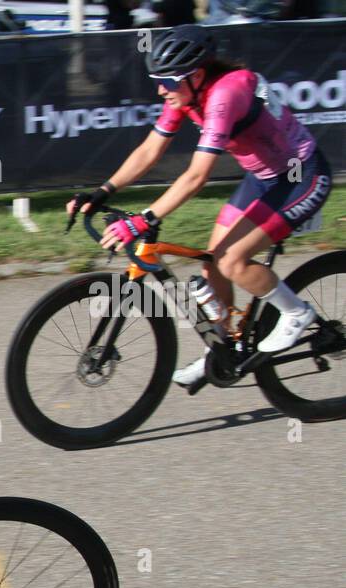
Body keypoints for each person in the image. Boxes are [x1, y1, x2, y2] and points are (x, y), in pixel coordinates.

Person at [70, 24, 332, 387]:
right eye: (158, 80)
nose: (163, 90)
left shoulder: (226, 94)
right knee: (213, 264)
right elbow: (151, 149)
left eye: (171, 82)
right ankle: (223, 348)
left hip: (303, 177)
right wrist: (103, 191)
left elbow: (196, 177)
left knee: (232, 260)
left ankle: (295, 313)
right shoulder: (186, 95)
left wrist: (144, 219)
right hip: (263, 178)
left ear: (197, 75)